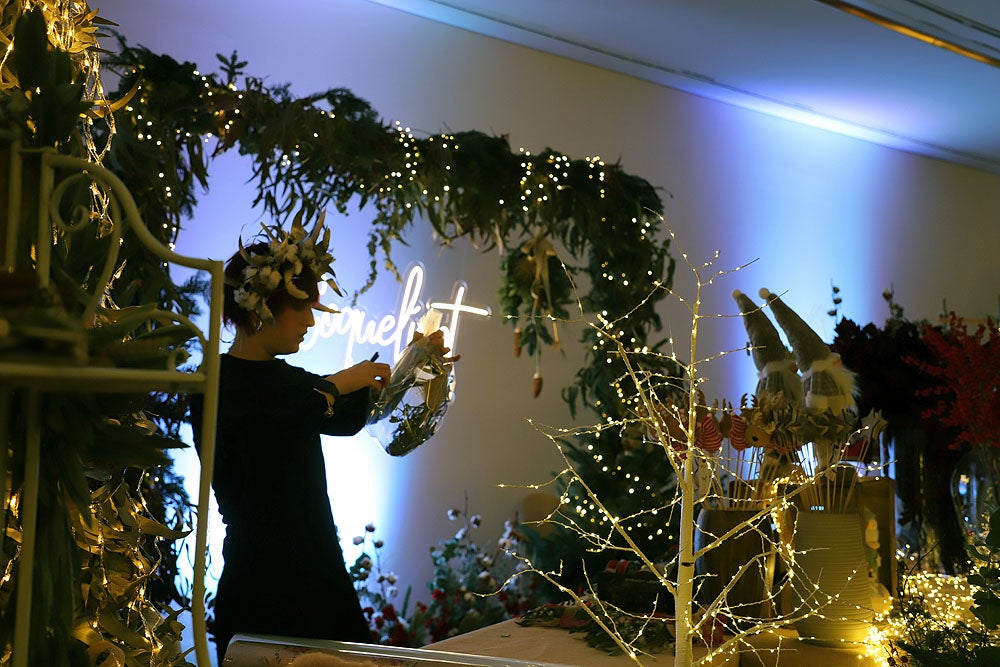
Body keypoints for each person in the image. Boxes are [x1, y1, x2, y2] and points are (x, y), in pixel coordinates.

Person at [190, 218, 453, 663]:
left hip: (319, 575)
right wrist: (336, 384)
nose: (311, 321)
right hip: (260, 580)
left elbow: (345, 418)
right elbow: (271, 423)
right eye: (302, 308)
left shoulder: (292, 382)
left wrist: (414, 365)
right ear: (261, 310)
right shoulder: (214, 383)